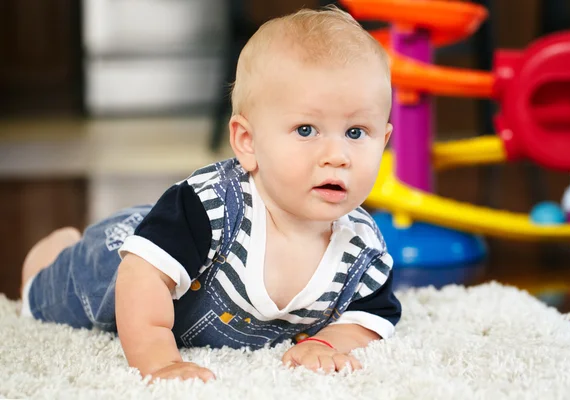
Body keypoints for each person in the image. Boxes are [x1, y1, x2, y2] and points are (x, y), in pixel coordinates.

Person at [20, 6, 401, 382]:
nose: (337, 156)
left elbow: (369, 317)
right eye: (306, 130)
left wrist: (330, 343)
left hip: (172, 239)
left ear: (383, 141)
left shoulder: (363, 249)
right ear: (247, 142)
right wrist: (160, 361)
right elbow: (143, 276)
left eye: (355, 133)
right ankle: (48, 254)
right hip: (125, 263)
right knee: (54, 294)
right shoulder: (211, 206)